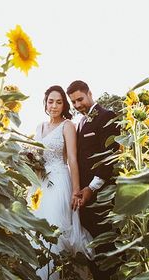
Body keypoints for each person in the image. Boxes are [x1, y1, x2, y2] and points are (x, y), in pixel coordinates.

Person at [31, 85, 93, 280]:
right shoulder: (39, 127)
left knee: (55, 229)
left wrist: (76, 190)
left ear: (64, 105)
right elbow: (34, 156)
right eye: (51, 101)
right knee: (36, 230)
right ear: (45, 103)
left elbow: (72, 159)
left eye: (59, 102)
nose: (54, 106)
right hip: (40, 184)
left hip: (59, 182)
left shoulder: (68, 125)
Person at [67, 80, 121, 280]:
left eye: (80, 99)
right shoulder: (79, 122)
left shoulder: (107, 116)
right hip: (85, 198)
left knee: (107, 248)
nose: (78, 105)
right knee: (93, 250)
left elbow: (110, 158)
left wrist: (91, 188)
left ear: (90, 93)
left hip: (102, 197)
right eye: (73, 102)